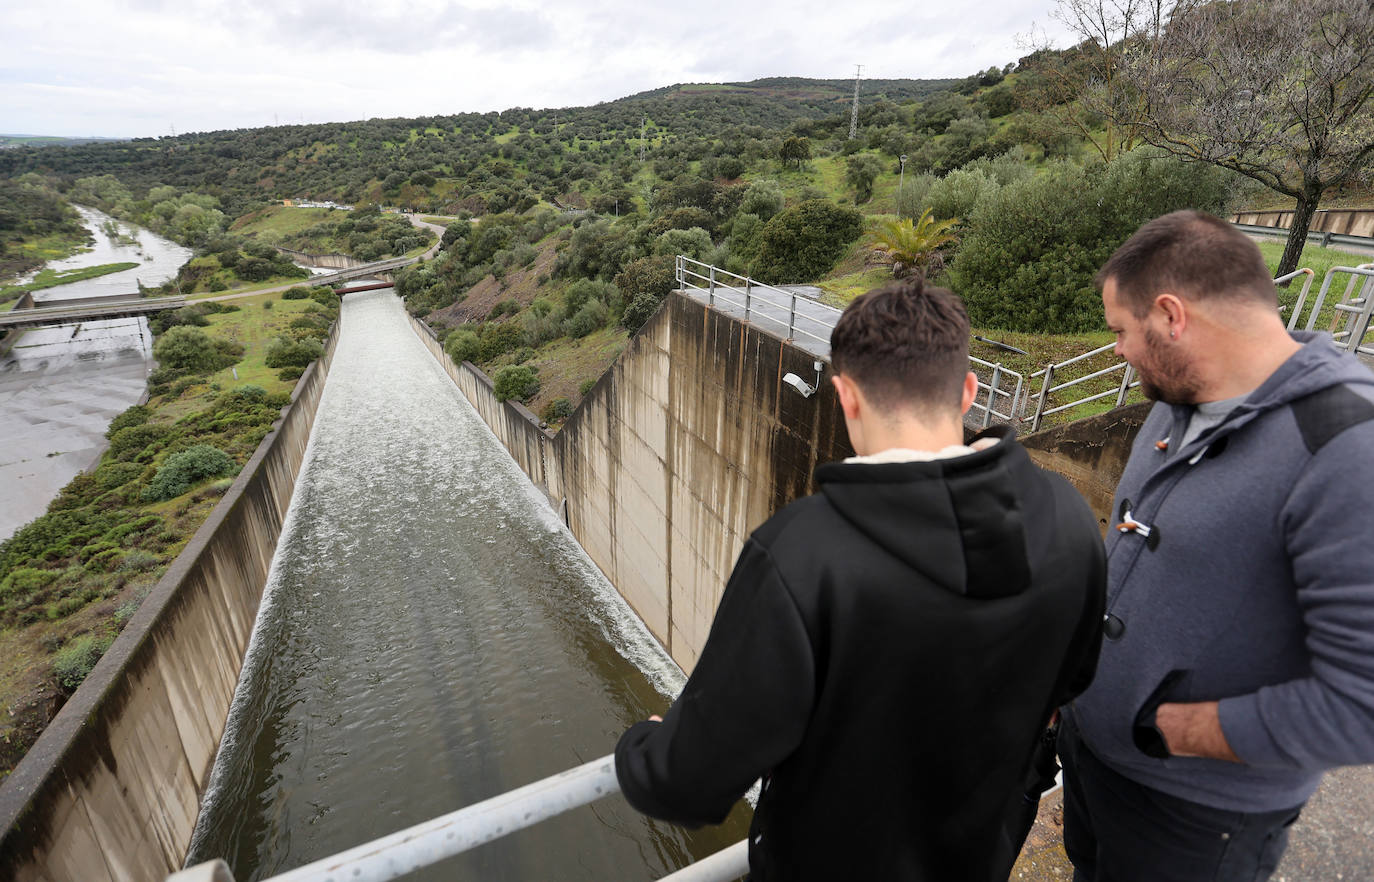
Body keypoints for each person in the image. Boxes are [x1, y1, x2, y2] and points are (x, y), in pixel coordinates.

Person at [614, 277, 1107, 881]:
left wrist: (642, 744)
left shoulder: (802, 553)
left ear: (845, 396)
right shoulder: (1067, 515)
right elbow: (1073, 680)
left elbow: (686, 786)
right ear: (970, 393)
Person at [1060, 210, 1374, 881]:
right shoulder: (1181, 399)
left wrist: (1173, 731)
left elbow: (1364, 701)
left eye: (1121, 331)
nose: (1117, 351)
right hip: (1096, 763)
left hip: (1194, 818)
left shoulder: (1347, 451)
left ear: (1171, 315)